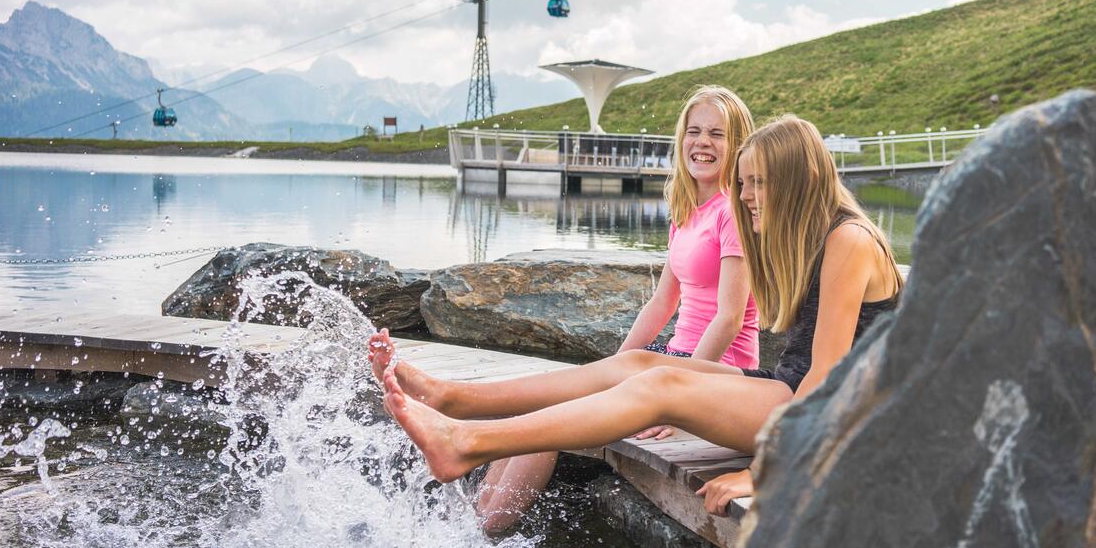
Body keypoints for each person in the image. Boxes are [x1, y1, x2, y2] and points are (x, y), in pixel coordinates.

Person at [370, 114, 902, 516]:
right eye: (742, 184)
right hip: (792, 391)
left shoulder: (849, 239)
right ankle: (455, 398)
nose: (745, 197)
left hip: (842, 419)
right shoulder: (816, 238)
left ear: (807, 174)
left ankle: (465, 442)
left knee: (663, 386)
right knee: (639, 364)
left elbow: (827, 376)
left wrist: (764, 475)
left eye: (758, 183)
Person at [372, 85, 760, 533]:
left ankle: (481, 525)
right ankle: (472, 518)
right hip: (673, 362)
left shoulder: (733, 212)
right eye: (694, 131)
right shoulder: (687, 210)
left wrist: (686, 396)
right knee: (557, 405)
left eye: (716, 133)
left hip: (713, 373)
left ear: (738, 146)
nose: (702, 142)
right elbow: (662, 302)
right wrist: (614, 364)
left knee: (559, 417)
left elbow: (729, 317)